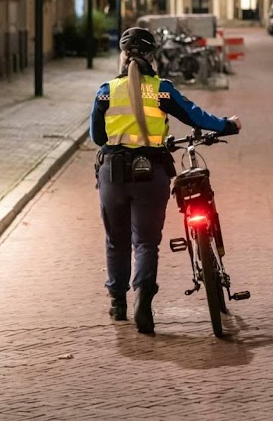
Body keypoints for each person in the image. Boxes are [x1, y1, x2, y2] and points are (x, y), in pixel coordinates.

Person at [91, 27, 241, 334]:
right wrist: (227, 125)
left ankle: (118, 303)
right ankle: (143, 300)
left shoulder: (105, 91)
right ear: (151, 57)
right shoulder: (162, 90)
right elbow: (196, 117)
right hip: (151, 173)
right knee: (145, 242)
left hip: (113, 174)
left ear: (123, 57)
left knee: (116, 241)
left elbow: (97, 137)